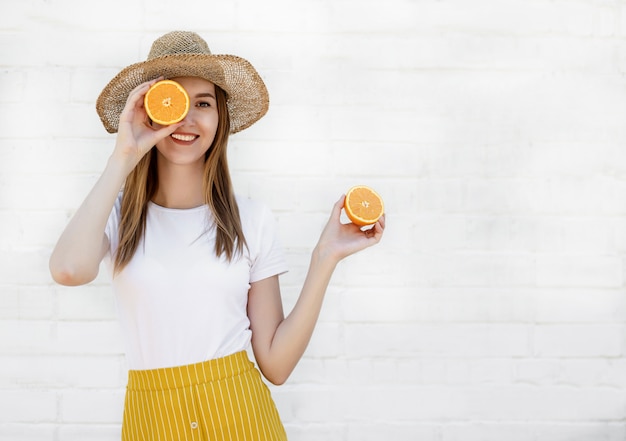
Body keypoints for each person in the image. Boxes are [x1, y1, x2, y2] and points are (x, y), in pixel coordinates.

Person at [49, 30, 384, 441]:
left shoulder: (251, 219)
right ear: (149, 109)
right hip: (151, 418)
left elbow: (276, 366)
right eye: (173, 100)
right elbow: (67, 269)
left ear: (220, 118)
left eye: (203, 103)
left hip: (240, 413)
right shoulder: (117, 217)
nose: (187, 117)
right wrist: (124, 154)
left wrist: (325, 256)